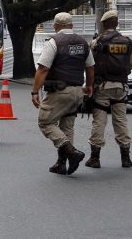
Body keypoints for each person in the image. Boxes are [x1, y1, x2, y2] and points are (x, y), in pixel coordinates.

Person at [31, 12, 94, 176]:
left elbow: (43, 68)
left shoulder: (54, 42)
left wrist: (34, 91)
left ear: (56, 26)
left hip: (60, 91)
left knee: (45, 122)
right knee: (67, 126)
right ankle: (62, 163)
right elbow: (90, 67)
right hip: (77, 91)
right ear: (72, 25)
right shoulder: (83, 43)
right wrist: (89, 86)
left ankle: (72, 152)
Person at [85, 10, 132, 169]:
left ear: (104, 23)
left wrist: (89, 86)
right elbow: (130, 65)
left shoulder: (97, 42)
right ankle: (126, 158)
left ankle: (95, 158)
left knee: (99, 121)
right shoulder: (127, 42)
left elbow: (90, 65)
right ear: (117, 23)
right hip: (121, 87)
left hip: (102, 87)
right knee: (121, 121)